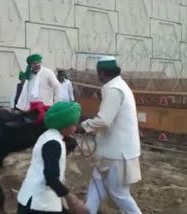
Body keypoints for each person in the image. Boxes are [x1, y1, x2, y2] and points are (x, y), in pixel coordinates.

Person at [79, 56, 142, 214]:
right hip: (112, 151)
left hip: (117, 154)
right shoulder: (119, 85)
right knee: (96, 185)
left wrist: (83, 126)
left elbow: (104, 121)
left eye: (98, 73)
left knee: (120, 195)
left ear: (101, 72)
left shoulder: (114, 89)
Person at [17, 102, 89, 214]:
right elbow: (51, 178)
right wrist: (73, 201)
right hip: (38, 203)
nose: (75, 129)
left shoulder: (48, 136)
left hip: (35, 199)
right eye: (73, 124)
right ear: (64, 125)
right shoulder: (53, 144)